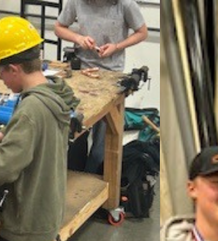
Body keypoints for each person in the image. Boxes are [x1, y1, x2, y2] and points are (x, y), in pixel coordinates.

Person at [0, 16, 80, 241]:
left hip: (27, 222)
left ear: (14, 69)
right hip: (43, 210)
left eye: (0, 71)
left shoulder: (30, 110)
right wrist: (8, 134)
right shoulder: (54, 94)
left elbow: (0, 169)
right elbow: (36, 132)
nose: (0, 78)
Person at [54, 0, 148, 174]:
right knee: (76, 131)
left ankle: (96, 176)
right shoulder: (77, 1)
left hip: (111, 74)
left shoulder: (125, 4)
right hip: (81, 72)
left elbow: (142, 32)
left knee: (103, 140)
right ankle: (74, 177)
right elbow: (59, 27)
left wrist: (117, 46)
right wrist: (78, 38)